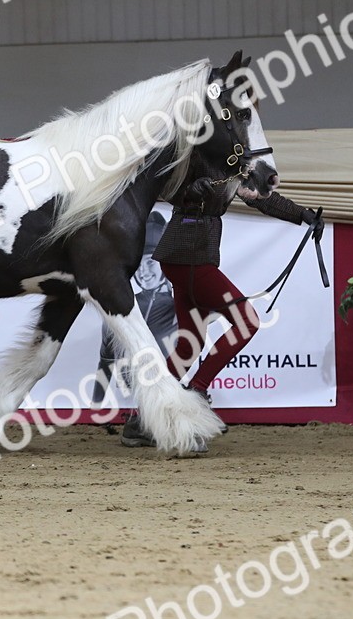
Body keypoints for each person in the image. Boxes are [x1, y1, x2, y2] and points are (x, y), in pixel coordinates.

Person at [120, 170, 320, 450]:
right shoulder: (199, 160)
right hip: (190, 258)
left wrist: (302, 214)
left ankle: (141, 422)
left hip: (187, 258)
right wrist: (192, 187)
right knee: (247, 321)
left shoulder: (233, 169)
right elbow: (169, 186)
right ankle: (198, 393)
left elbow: (261, 199)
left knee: (189, 347)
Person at [95, 211, 177, 404]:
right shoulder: (120, 308)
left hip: (170, 393)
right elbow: (105, 361)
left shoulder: (180, 304)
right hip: (131, 397)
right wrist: (95, 406)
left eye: (151, 262)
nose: (144, 271)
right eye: (139, 264)